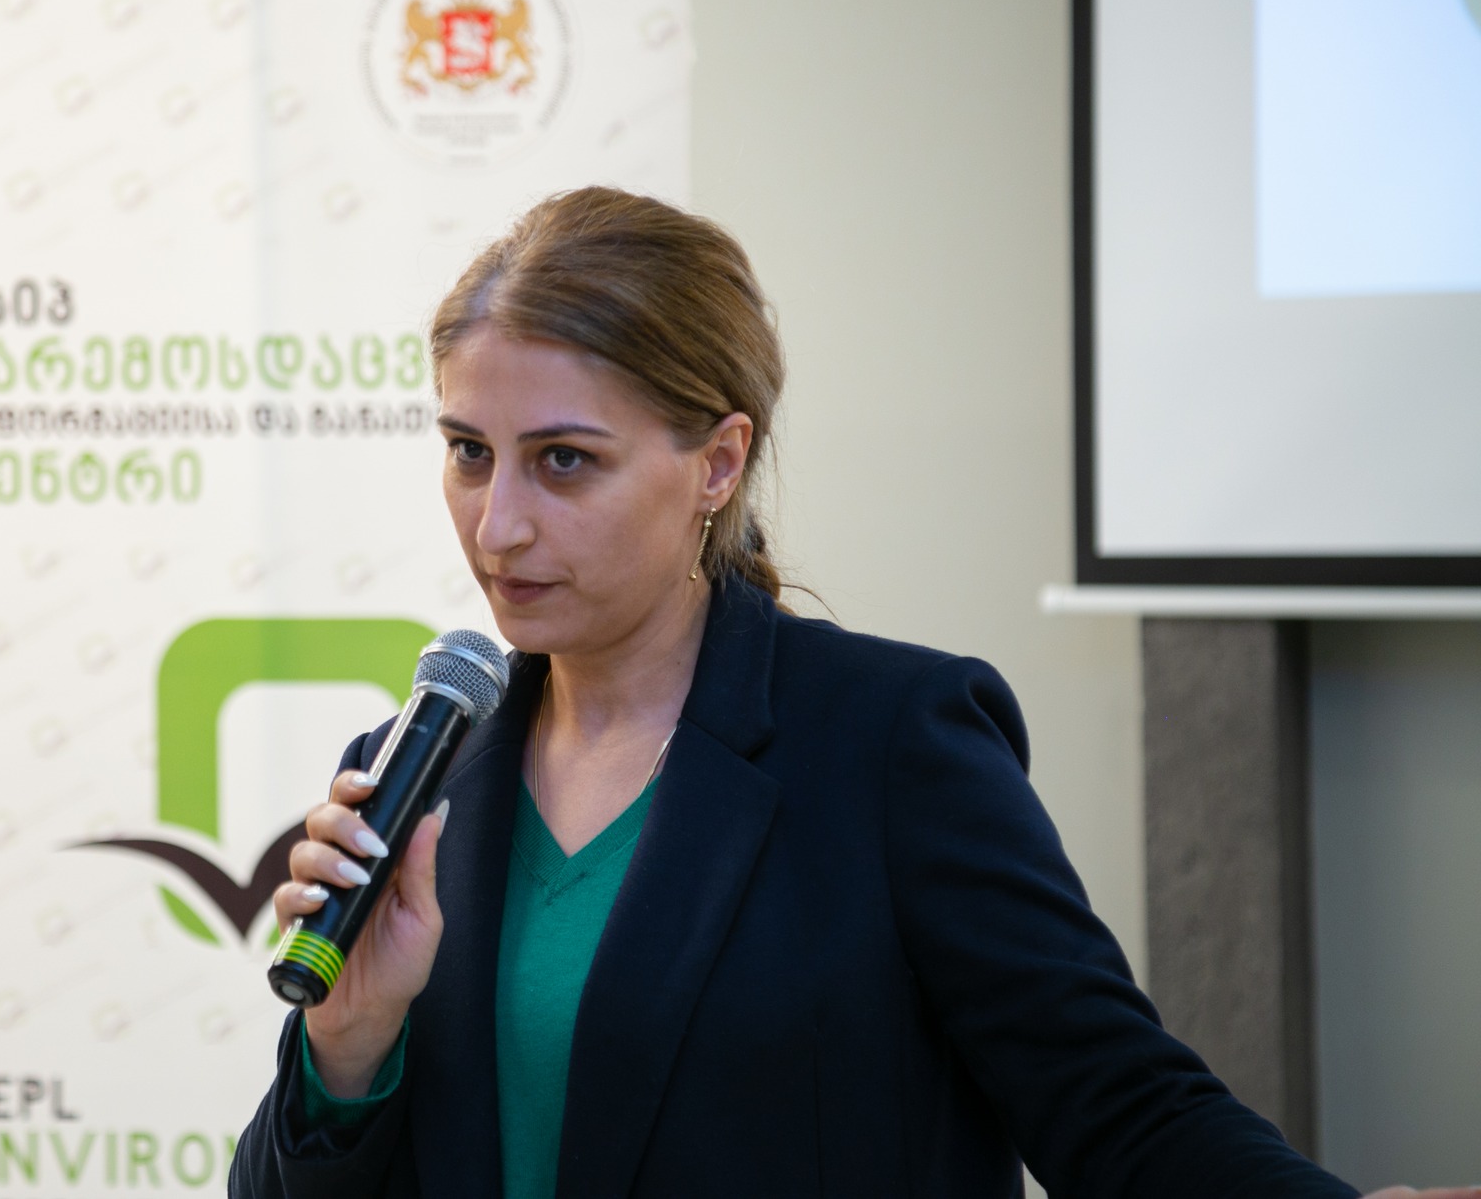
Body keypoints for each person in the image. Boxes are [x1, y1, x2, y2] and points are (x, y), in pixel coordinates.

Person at [228, 188, 1471, 1198]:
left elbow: (1112, 1103)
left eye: (563, 461)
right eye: (467, 454)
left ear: (717, 463)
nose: (497, 523)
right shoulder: (417, 771)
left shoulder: (889, 745)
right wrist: (347, 1048)